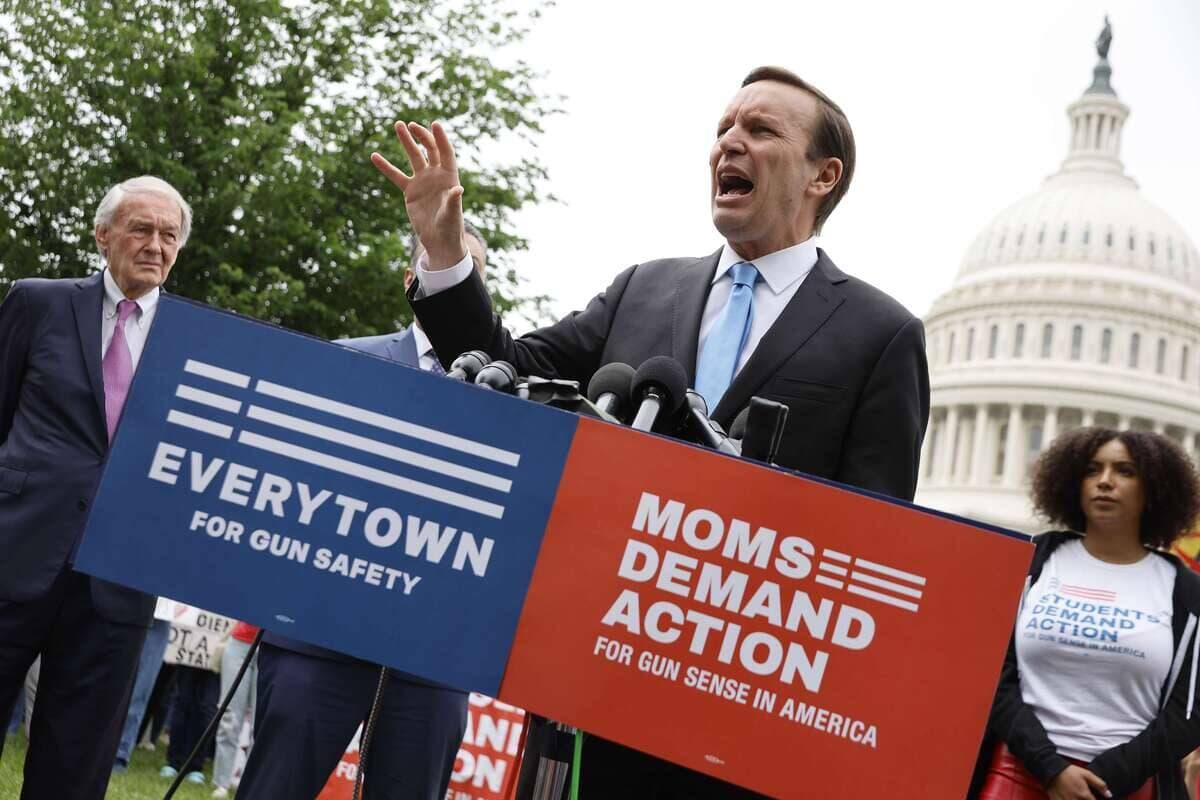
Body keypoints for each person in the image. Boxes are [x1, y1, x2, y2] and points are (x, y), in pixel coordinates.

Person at [373, 66, 929, 797]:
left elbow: (874, 536)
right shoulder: (644, 286)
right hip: (589, 674)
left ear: (825, 175)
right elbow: (506, 370)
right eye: (724, 129)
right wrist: (445, 254)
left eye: (760, 130)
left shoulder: (882, 334)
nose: (730, 143)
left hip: (743, 714)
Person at [234, 228, 486, 800]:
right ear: (410, 281)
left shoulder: (508, 392)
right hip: (317, 635)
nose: (456, 278)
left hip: (433, 655)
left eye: (470, 271)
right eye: (441, 264)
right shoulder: (348, 358)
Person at [0, 175, 190, 799]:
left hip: (119, 578)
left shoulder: (197, 343)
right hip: (15, 550)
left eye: (169, 235)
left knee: (75, 764)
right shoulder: (37, 302)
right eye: (141, 229)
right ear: (103, 234)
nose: (155, 246)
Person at [971, 428, 1200, 800]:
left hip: (1124, 786)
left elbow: (1188, 713)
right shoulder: (1030, 562)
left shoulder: (1185, 592)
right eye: (1093, 470)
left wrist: (1102, 778)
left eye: (1125, 471)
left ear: (1155, 488)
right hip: (1020, 773)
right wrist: (1052, 769)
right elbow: (994, 676)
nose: (1105, 482)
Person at [114, 596, 178, 772]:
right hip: (128, 602)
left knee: (140, 691)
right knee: (112, 683)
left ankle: (120, 754)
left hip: (161, 615)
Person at [211, 619, 260, 799]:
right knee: (230, 716)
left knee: (261, 723)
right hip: (240, 641)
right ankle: (221, 782)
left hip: (273, 649)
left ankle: (253, 786)